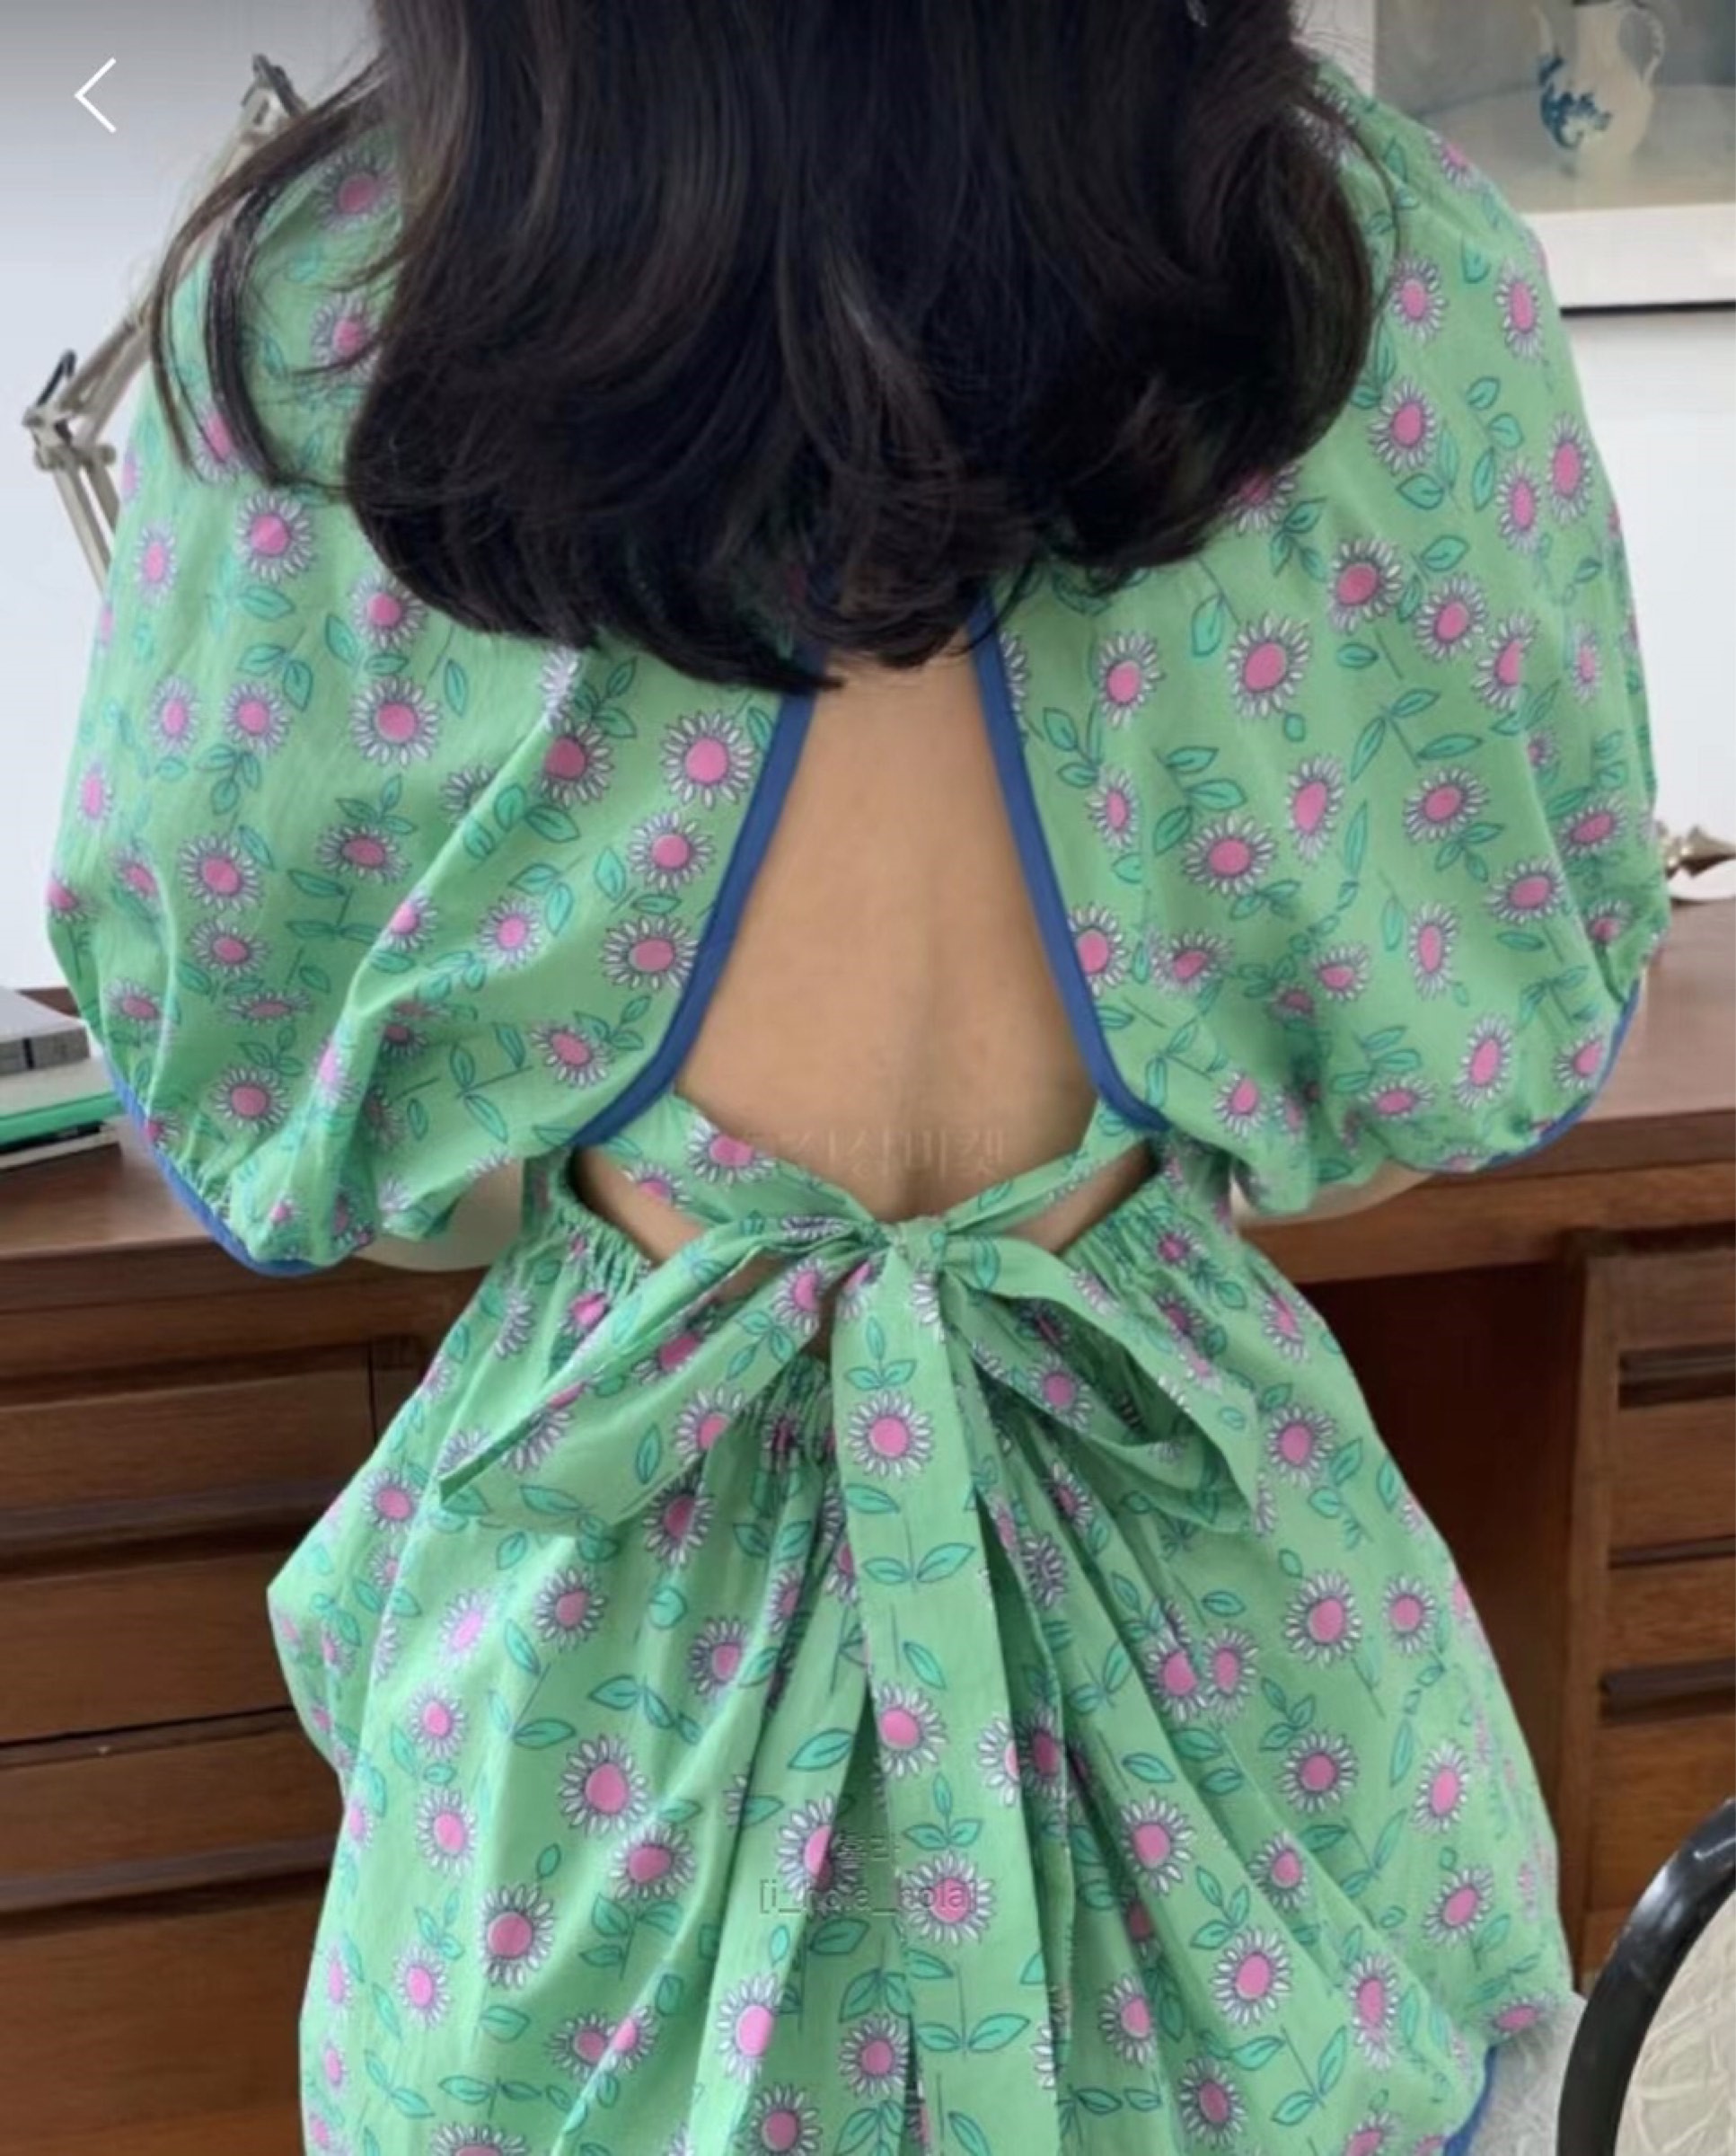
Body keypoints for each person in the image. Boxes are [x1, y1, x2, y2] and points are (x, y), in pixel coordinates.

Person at [42, 4, 1671, 2152]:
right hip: (1233, 1722)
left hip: (602, 1728)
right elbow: (1441, 1078)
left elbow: (296, 1141)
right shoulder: (1365, 269)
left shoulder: (323, 316)